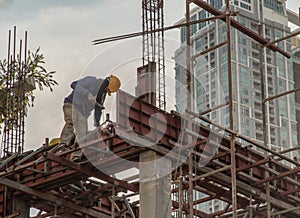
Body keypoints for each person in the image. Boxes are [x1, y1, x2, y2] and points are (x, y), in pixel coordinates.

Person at [58, 75, 121, 161]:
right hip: (71, 105)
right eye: (107, 89)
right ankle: (63, 144)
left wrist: (98, 125)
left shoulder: (101, 95)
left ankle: (75, 157)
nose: (105, 91)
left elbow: (98, 109)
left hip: (82, 113)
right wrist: (87, 94)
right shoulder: (92, 81)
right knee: (71, 123)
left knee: (83, 135)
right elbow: (74, 84)